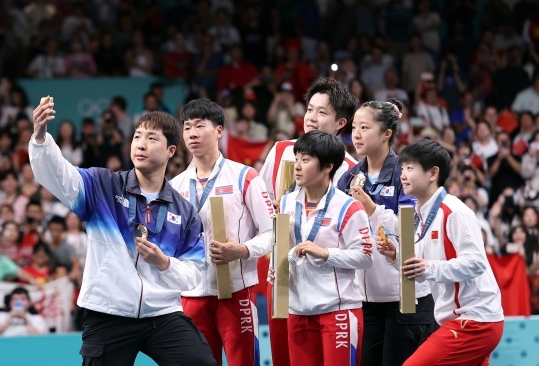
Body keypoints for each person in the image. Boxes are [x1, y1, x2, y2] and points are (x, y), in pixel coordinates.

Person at [29, 97, 215, 366]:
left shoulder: (185, 212)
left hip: (161, 313)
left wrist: (164, 263)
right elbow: (58, 175)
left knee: (201, 363)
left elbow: (193, 274)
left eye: (152, 138)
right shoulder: (102, 186)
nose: (141, 144)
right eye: (137, 136)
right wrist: (41, 137)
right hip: (109, 311)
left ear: (171, 150)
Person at [259, 75, 358, 366]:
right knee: (282, 357)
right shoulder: (279, 152)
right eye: (310, 109)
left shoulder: (350, 170)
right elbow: (262, 207)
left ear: (341, 122)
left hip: (326, 283)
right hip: (281, 274)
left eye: (322, 112)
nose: (311, 118)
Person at [377, 140, 504, 365]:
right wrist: (396, 255)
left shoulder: (454, 212)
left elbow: (476, 263)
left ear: (433, 172)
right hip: (456, 319)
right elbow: (418, 268)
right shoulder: (419, 215)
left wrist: (428, 268)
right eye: (402, 168)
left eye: (410, 168)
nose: (402, 175)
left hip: (475, 320)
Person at [170, 99, 273, 365]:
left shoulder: (245, 177)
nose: (192, 133)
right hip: (191, 295)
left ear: (218, 130)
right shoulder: (173, 186)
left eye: (199, 125)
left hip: (236, 292)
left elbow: (274, 232)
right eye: (187, 127)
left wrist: (243, 250)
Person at [337, 99, 436, 366]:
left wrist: (371, 208)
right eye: (354, 127)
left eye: (365, 127)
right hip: (366, 300)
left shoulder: (405, 174)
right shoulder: (347, 178)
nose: (356, 134)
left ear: (386, 133)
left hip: (405, 297)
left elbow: (412, 229)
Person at [269, 131, 373, 365]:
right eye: (296, 159)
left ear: (327, 166)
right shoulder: (286, 202)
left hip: (337, 312)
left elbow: (366, 257)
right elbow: (283, 247)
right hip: (298, 311)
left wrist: (325, 253)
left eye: (305, 160)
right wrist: (278, 268)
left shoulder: (348, 207)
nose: (297, 166)